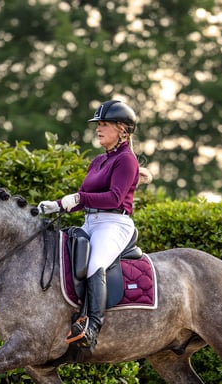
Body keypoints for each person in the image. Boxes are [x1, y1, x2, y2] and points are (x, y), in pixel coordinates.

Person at [38, 99, 150, 352]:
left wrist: (78, 199)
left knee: (94, 264)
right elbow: (82, 198)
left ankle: (92, 326)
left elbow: (114, 198)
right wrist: (57, 205)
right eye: (98, 125)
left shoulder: (127, 160)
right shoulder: (98, 161)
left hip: (114, 224)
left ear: (123, 129)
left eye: (105, 125)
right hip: (91, 221)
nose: (98, 130)